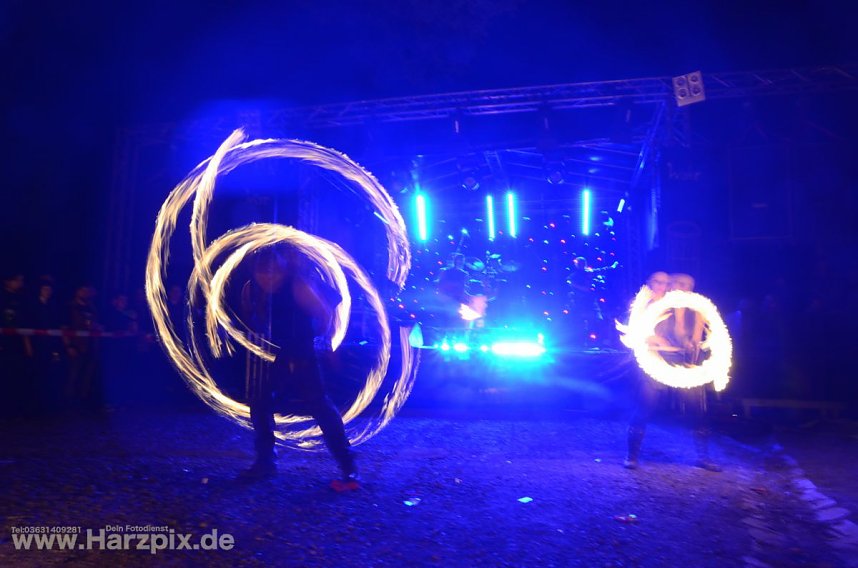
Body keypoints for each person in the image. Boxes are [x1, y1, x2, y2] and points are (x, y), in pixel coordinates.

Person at [239, 246, 358, 488]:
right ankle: (265, 463)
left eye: (274, 272)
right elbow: (249, 319)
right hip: (275, 356)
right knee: (260, 403)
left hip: (302, 353)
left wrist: (321, 341)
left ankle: (348, 465)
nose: (268, 277)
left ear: (283, 270)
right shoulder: (250, 289)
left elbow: (325, 314)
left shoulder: (297, 286)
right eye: (263, 273)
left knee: (320, 406)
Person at [623, 271, 721, 472]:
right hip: (655, 362)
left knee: (698, 410)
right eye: (676, 283)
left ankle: (703, 456)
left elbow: (692, 336)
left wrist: (691, 342)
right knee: (645, 407)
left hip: (685, 364)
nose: (680, 288)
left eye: (686, 285)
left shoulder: (696, 309)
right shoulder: (650, 305)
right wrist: (655, 339)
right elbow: (636, 332)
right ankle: (631, 455)